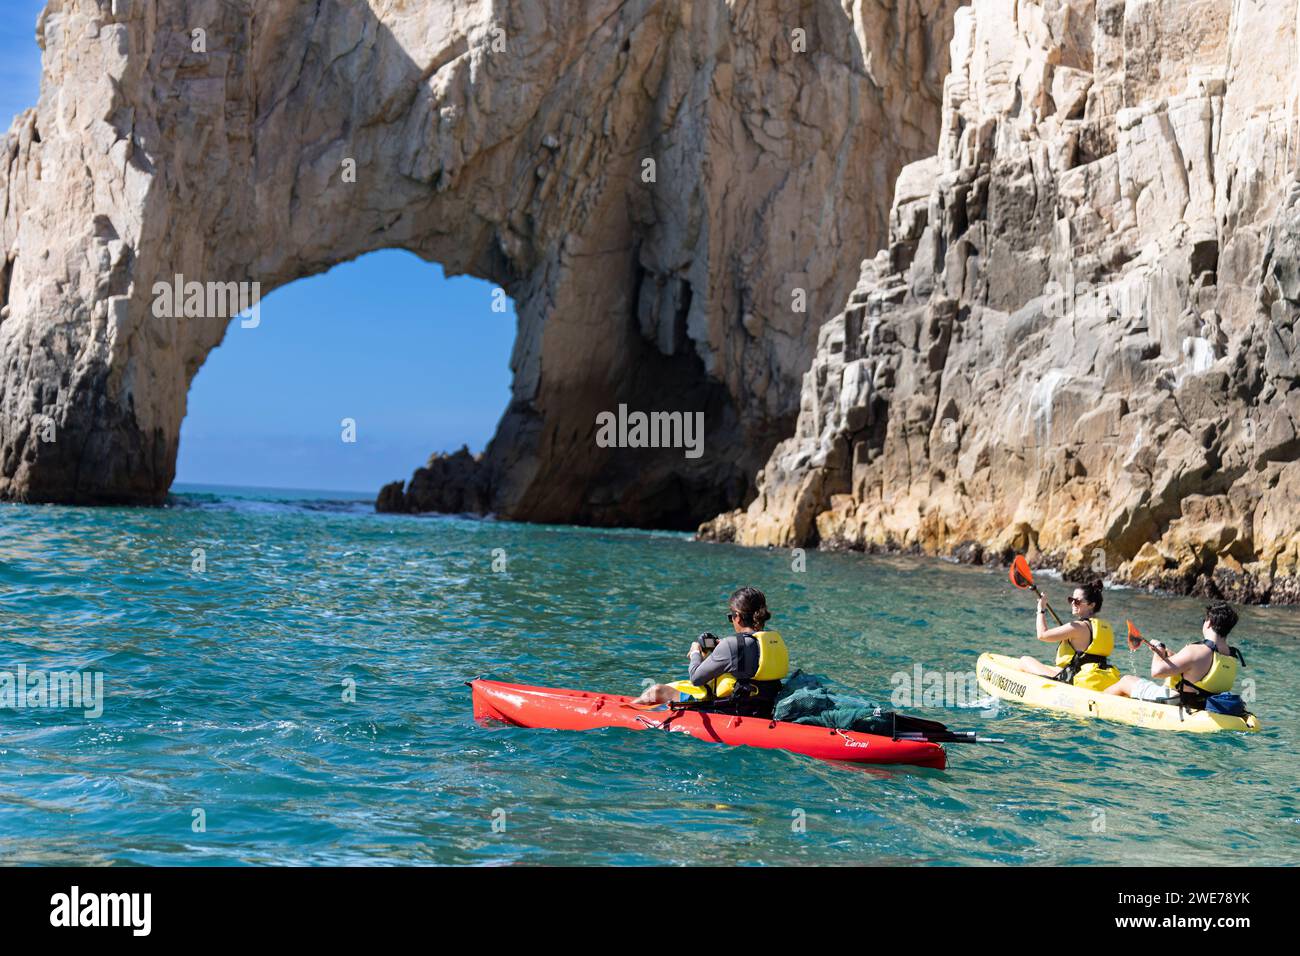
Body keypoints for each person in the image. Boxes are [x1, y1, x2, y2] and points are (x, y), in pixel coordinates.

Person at [631, 586, 790, 717]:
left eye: (731, 616)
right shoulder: (773, 641)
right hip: (765, 707)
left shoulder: (731, 645)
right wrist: (721, 649)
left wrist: (695, 653)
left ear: (738, 617)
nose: (732, 621)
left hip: (732, 710)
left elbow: (696, 678)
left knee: (656, 690)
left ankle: (626, 713)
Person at [1107, 601, 1245, 706]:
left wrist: (1158, 650)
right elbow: (1196, 673)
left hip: (1176, 701)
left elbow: (1157, 672)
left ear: (1209, 623)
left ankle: (1094, 701)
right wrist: (1169, 655)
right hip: (1202, 703)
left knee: (1126, 681)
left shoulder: (1196, 650)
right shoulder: (1231, 656)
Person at [1017, 578, 1121, 690]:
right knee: (1058, 668)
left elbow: (1042, 635)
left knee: (1024, 660)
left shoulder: (1077, 626)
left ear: (1091, 604)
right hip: (1098, 679)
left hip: (1074, 681)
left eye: (1077, 601)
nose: (1072, 603)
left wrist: (1041, 609)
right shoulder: (1105, 626)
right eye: (1071, 599)